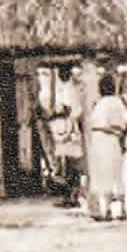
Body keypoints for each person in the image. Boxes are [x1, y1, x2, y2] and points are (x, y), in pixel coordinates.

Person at [89, 74, 127, 221]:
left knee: (102, 174)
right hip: (111, 138)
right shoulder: (116, 102)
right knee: (116, 174)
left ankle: (106, 209)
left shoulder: (99, 104)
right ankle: (121, 208)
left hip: (99, 139)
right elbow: (123, 123)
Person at [47, 67, 84, 208]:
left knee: (71, 170)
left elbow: (71, 111)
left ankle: (73, 196)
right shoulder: (63, 89)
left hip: (70, 135)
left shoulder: (70, 90)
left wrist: (70, 125)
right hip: (65, 135)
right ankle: (69, 196)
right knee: (65, 170)